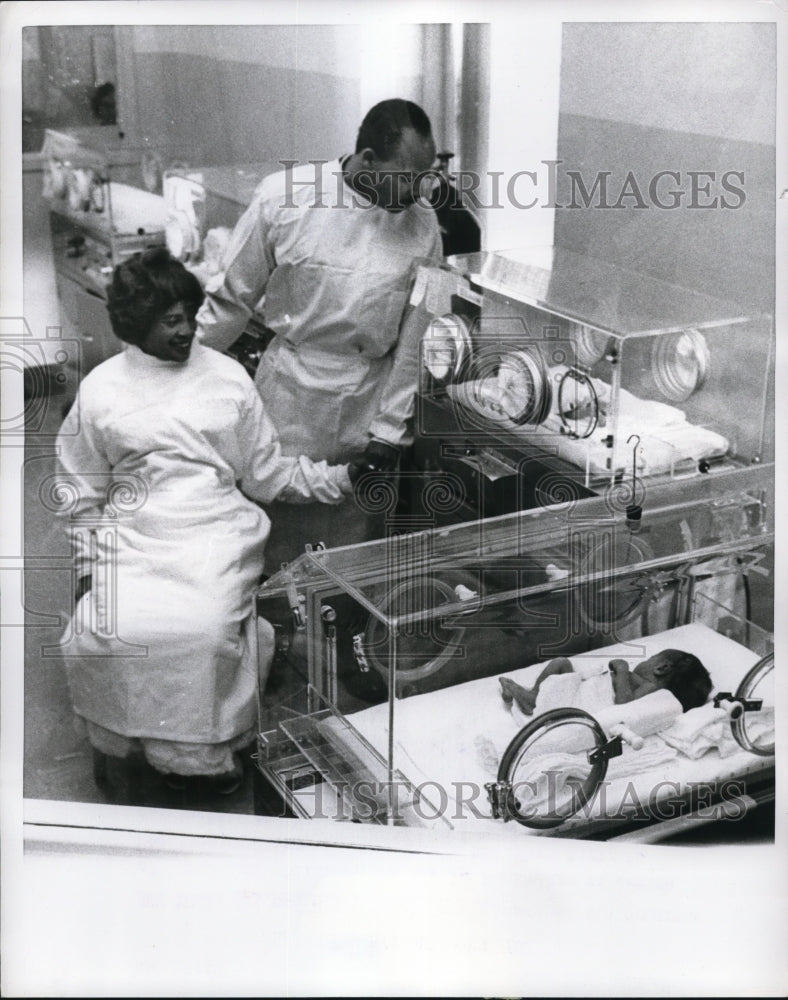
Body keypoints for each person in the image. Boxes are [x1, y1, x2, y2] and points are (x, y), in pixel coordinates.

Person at [56, 248, 356, 801]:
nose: (188, 330)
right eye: (172, 320)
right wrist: (87, 570)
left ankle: (199, 753)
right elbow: (81, 493)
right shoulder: (101, 389)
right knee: (102, 629)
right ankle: (120, 740)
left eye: (191, 315)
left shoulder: (227, 377)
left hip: (214, 529)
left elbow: (265, 475)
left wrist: (337, 478)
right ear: (134, 322)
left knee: (203, 630)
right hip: (135, 530)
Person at [196, 98, 443, 564]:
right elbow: (231, 300)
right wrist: (178, 376)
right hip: (290, 396)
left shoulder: (424, 225)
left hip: (368, 404)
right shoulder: (284, 197)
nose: (419, 190)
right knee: (274, 541)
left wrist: (390, 434)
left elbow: (417, 339)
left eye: (426, 175)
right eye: (409, 176)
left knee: (352, 551)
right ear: (368, 160)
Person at [499, 649, 712, 717]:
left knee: (560, 671)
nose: (645, 661)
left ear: (661, 668)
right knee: (561, 663)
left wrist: (621, 669)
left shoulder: (651, 688)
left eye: (652, 658)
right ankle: (535, 694)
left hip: (581, 701)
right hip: (583, 687)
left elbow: (624, 703)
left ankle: (533, 700)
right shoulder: (642, 681)